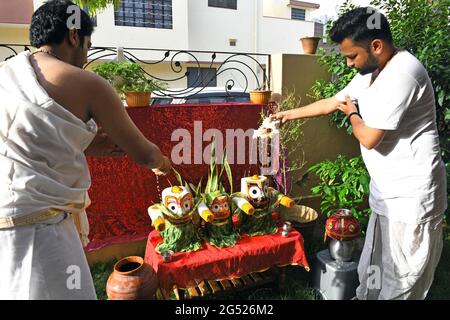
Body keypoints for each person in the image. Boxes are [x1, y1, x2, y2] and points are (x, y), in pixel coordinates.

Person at [270, 7, 447, 300]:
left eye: (352, 56)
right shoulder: (372, 70)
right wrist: (288, 115)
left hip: (412, 196)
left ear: (376, 46)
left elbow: (368, 137)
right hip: (387, 192)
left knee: (401, 279)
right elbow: (332, 102)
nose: (349, 64)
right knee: (375, 266)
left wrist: (353, 113)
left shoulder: (404, 72)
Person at [0, 0, 171, 299]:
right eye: (88, 45)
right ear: (74, 36)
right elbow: (143, 153)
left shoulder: (6, 75)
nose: (86, 56)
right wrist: (164, 163)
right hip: (42, 229)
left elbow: (27, 138)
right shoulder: (85, 82)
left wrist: (87, 145)